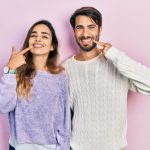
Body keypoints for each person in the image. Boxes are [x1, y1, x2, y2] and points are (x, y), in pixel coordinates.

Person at [63, 6, 150, 150]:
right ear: (74, 31)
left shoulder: (116, 62)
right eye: (80, 27)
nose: (85, 33)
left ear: (100, 29)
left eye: (91, 27)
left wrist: (114, 55)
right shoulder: (66, 68)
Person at [0, 20, 70, 150]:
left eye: (44, 36)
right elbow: (3, 106)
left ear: (52, 46)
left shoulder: (60, 76)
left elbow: (64, 118)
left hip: (50, 147)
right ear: (28, 42)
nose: (38, 39)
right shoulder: (16, 72)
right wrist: (10, 69)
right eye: (33, 35)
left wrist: (63, 147)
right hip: (19, 146)